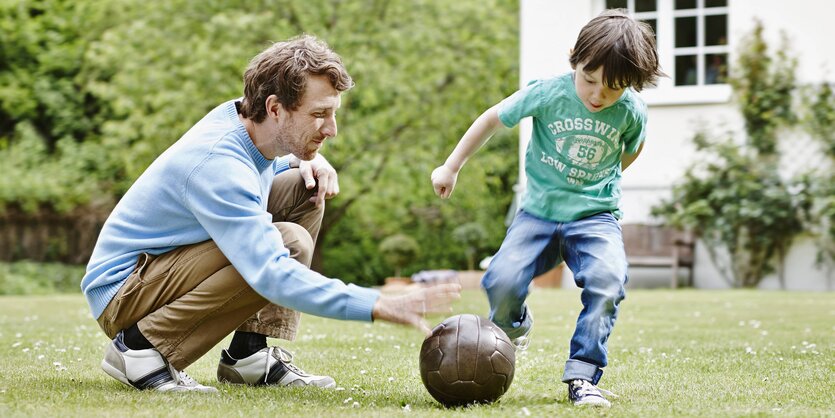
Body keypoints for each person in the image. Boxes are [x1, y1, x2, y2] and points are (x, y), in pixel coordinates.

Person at [82, 35, 460, 393]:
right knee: (287, 242)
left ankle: (249, 353)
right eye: (320, 114)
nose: (332, 129)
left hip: (157, 272)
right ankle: (139, 348)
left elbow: (263, 164)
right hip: (125, 293)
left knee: (304, 187)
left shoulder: (248, 125)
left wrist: (304, 158)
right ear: (275, 108)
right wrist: (377, 304)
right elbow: (271, 271)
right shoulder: (219, 165)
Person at [431, 9, 663, 407]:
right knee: (501, 281)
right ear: (574, 57)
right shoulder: (548, 93)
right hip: (538, 214)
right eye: (589, 80)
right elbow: (491, 119)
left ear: (632, 85)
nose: (596, 96)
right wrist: (451, 166)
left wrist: (607, 178)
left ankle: (583, 376)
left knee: (608, 282)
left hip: (595, 217)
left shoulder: (631, 112)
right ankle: (515, 325)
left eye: (612, 89)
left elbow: (634, 147)